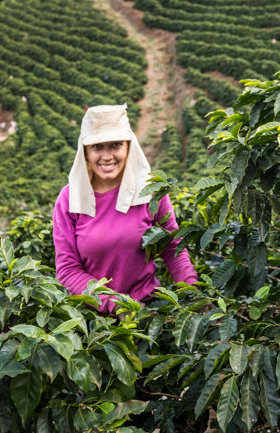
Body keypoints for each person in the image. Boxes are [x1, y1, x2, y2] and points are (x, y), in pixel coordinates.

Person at [53, 104, 197, 314]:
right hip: (93, 319)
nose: (107, 156)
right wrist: (118, 306)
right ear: (85, 151)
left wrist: (191, 292)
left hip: (149, 308)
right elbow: (68, 270)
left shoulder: (150, 192)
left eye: (115, 145)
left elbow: (173, 248)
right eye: (97, 147)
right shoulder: (70, 199)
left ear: (129, 147)